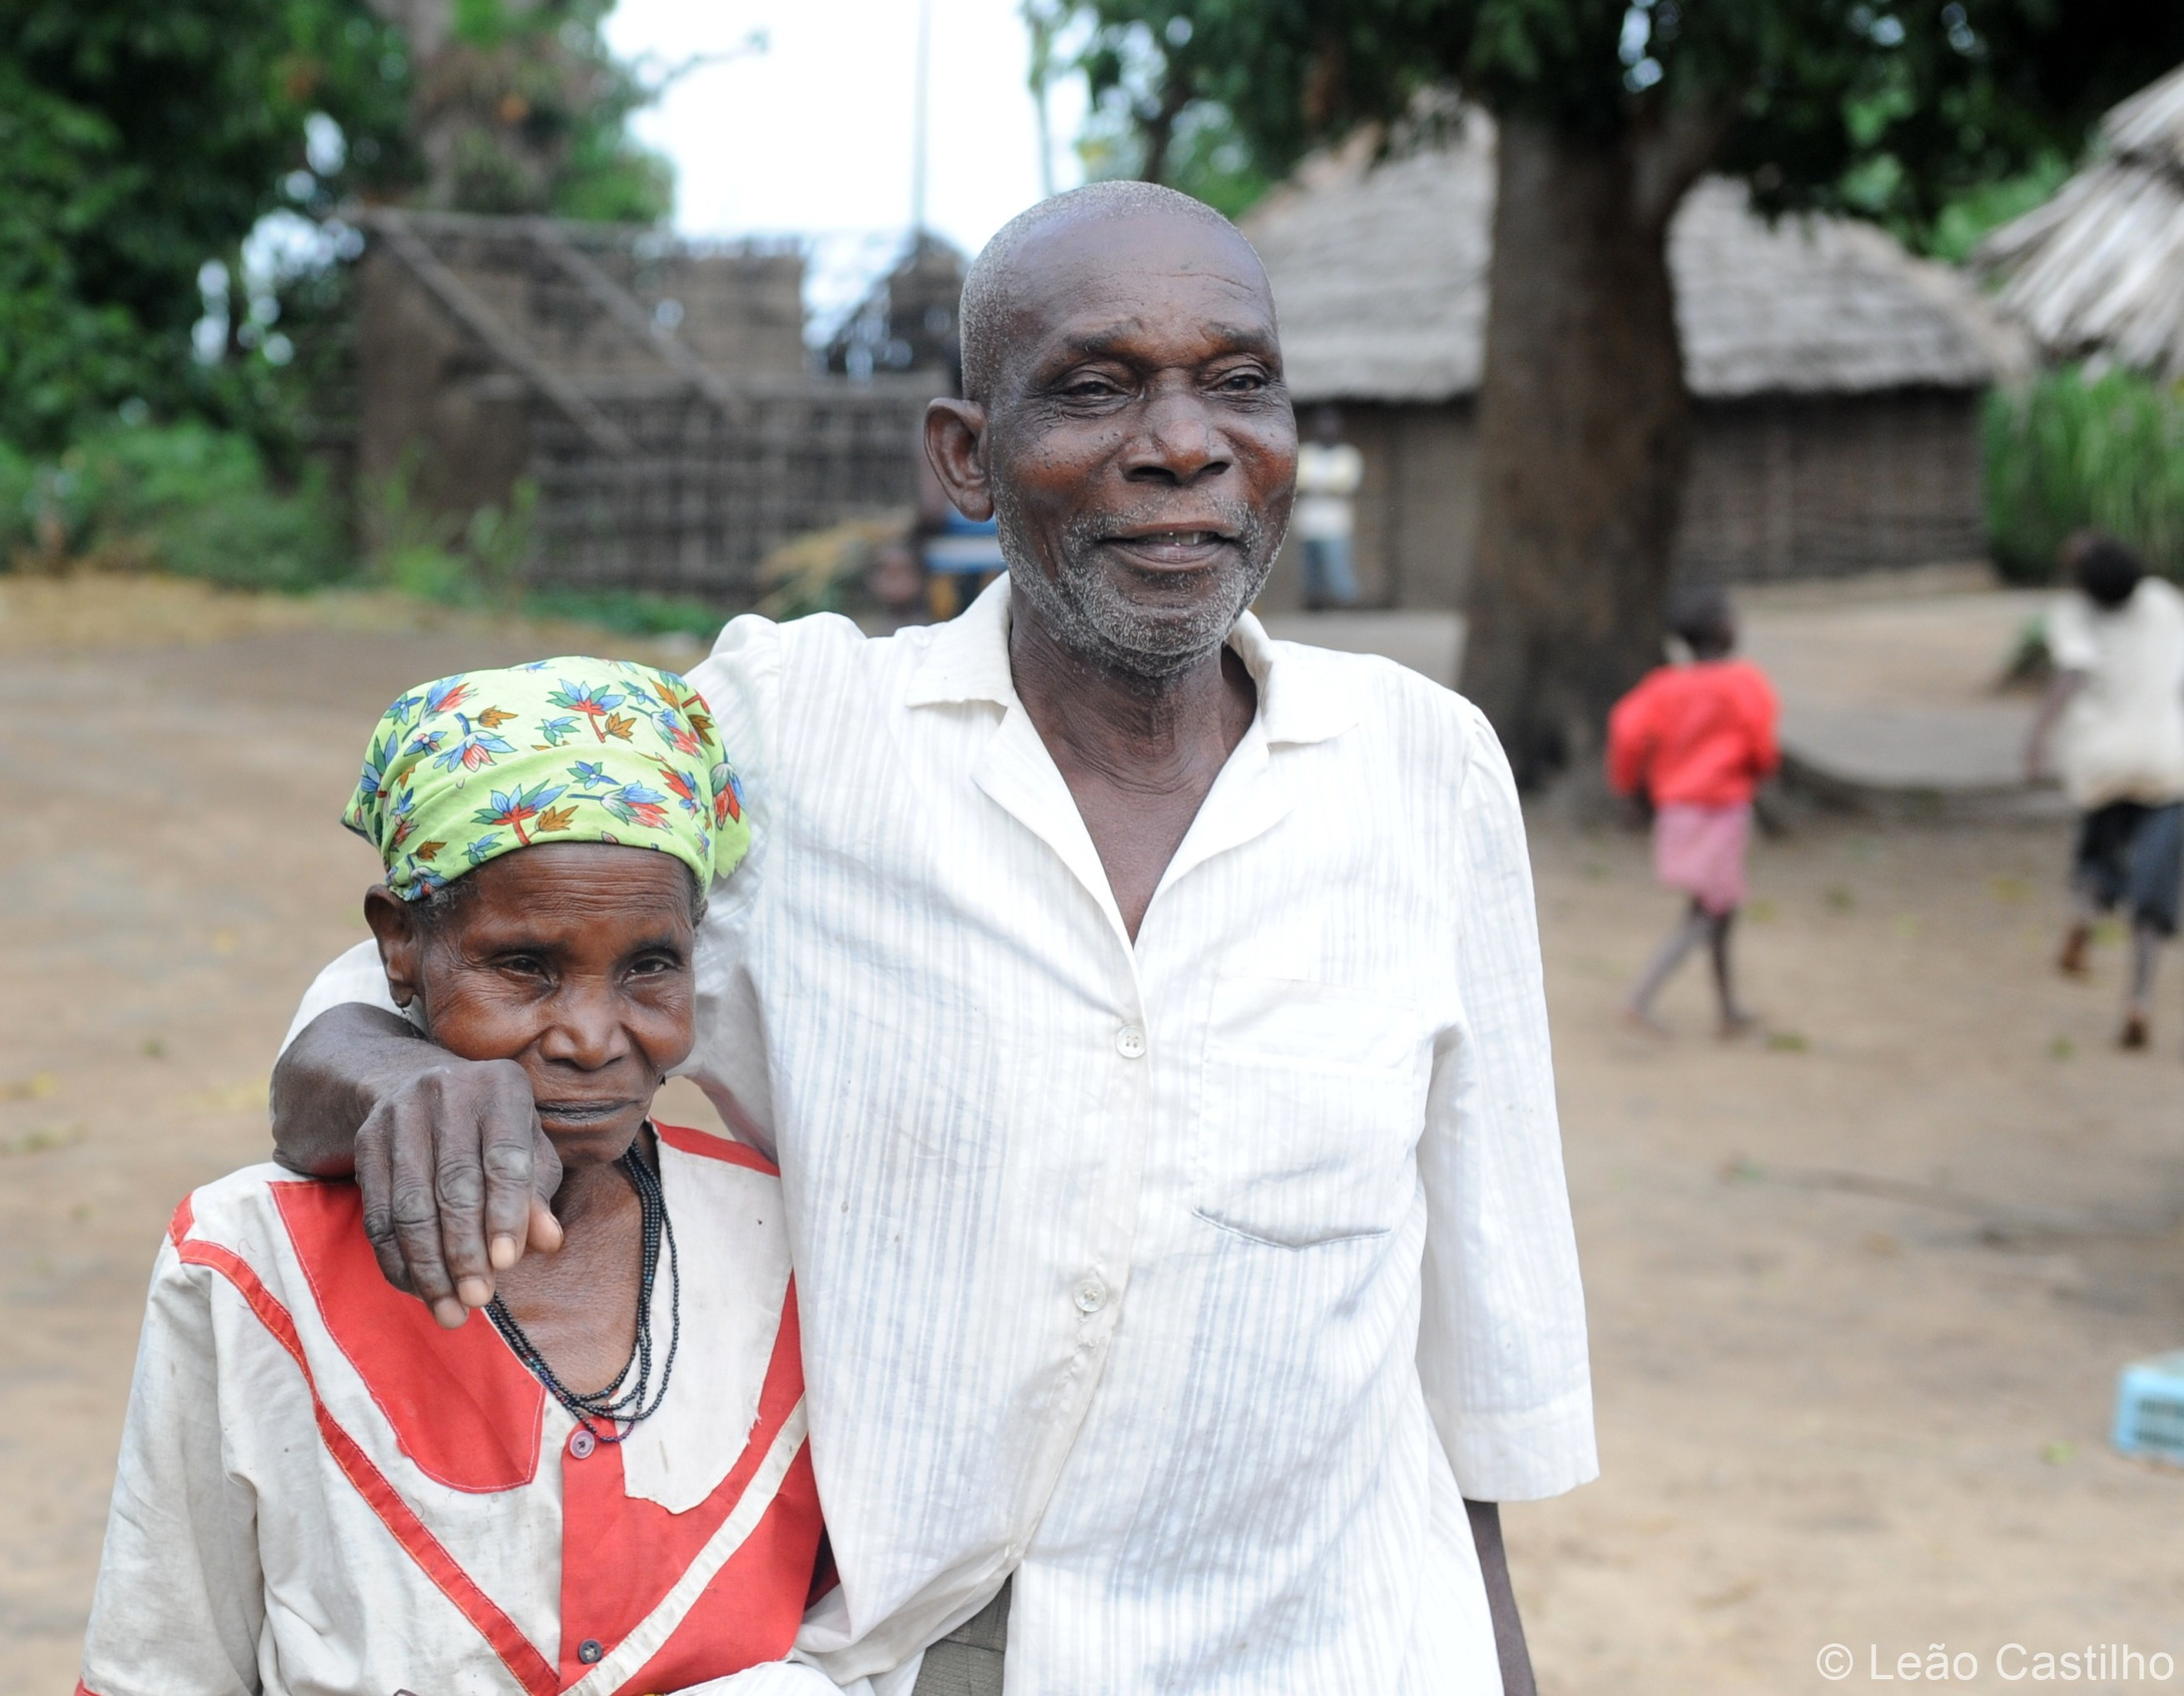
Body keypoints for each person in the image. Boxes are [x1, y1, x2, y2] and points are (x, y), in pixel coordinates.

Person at [271, 182, 1595, 1695]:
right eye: (1095, 388)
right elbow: (465, 922)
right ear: (966, 456)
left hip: (1338, 1648)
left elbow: (1474, 1350)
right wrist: (390, 1072)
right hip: (927, 1653)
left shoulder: (1424, 766)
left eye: (1239, 383)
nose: (1182, 443)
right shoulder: (799, 738)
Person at [77, 660, 839, 1696]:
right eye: (525, 966)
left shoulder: (788, 1242)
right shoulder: (251, 1257)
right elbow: (161, 1661)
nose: (590, 1036)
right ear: (399, 947)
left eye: (649, 967)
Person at [2024, 531, 2184, 1051]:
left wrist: (2038, 738)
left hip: (2103, 763)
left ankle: (2084, 916)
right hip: (2168, 760)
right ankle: (2139, 998)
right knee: (2153, 893)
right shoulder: (2163, 601)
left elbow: (2071, 674)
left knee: (2097, 862)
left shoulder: (2073, 614)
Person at [1606, 586, 1779, 1036]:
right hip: (1722, 812)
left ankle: (1727, 1010)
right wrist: (1759, 771)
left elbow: (1626, 731)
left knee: (1718, 908)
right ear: (1724, 629)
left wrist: (1629, 789)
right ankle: (1639, 998)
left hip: (1677, 812)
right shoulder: (1744, 683)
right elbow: (1761, 742)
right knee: (1710, 913)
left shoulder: (1664, 687)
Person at [1293, 438, 1364, 608]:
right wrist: (1326, 485)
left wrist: (1316, 485)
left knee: (1337, 565)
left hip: (1335, 523)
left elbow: (1345, 485)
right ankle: (1316, 605)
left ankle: (1346, 604)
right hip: (1308, 522)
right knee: (1311, 569)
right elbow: (1297, 482)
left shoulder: (1347, 455)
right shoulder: (1307, 453)